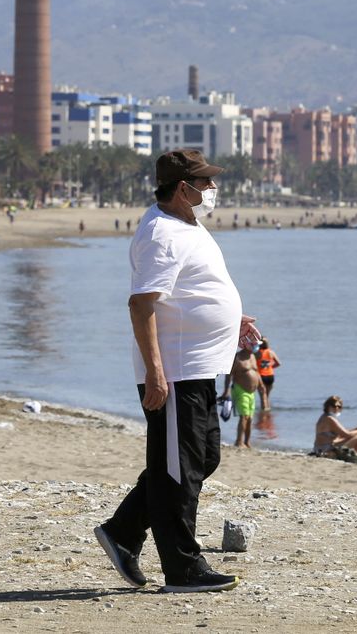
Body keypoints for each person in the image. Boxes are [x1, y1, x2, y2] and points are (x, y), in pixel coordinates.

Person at [96, 149, 256, 594]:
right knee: (176, 472)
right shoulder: (160, 233)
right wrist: (155, 373)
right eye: (205, 183)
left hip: (200, 365)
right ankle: (182, 567)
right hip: (176, 370)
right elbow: (142, 304)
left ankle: (123, 531)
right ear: (182, 189)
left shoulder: (188, 224)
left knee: (201, 459)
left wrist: (231, 319)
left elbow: (185, 292)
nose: (212, 190)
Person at [311, 396, 357, 467]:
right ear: (327, 406)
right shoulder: (329, 419)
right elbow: (346, 434)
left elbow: (341, 435)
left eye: (339, 407)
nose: (336, 408)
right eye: (334, 406)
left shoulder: (325, 417)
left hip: (325, 448)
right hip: (325, 451)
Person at [228, 347, 262, 448]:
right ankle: (239, 441)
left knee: (250, 418)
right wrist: (226, 391)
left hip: (252, 392)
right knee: (244, 416)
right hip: (240, 389)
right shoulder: (237, 357)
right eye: (254, 344)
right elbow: (229, 374)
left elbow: (256, 372)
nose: (256, 347)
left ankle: (247, 442)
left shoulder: (253, 356)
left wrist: (261, 385)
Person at [255, 340, 281, 410]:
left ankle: (264, 413)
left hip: (261, 377)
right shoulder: (271, 352)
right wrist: (270, 367)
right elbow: (279, 363)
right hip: (270, 376)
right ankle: (268, 411)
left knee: (262, 397)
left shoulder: (256, 353)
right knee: (267, 396)